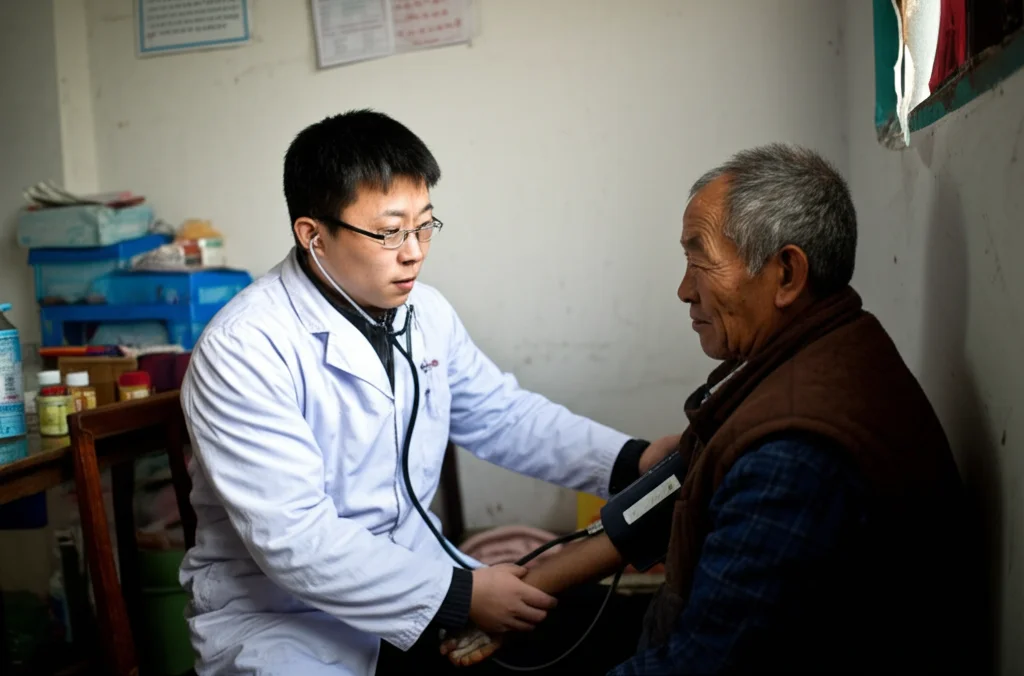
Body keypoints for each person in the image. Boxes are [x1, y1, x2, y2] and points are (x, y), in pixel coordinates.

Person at [442, 144, 976, 674]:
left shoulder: (794, 456)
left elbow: (696, 666)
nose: (683, 289)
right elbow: (663, 500)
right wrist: (526, 588)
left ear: (786, 274)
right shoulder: (815, 347)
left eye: (700, 260)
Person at [178, 109, 676, 675]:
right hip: (287, 620)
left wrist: (633, 460)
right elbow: (295, 539)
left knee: (617, 636)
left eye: (424, 225)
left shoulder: (424, 313)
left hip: (422, 578)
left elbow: (502, 416)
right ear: (313, 236)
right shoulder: (244, 347)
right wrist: (461, 595)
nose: (414, 250)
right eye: (389, 231)